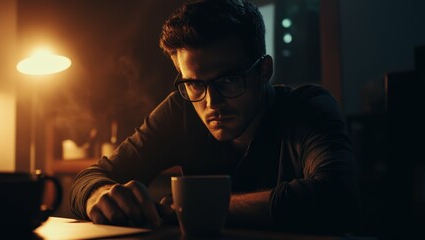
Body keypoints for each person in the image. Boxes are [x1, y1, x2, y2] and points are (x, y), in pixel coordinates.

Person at [70, 0, 360, 235]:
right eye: (195, 83)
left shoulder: (308, 108)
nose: (212, 102)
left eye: (229, 80)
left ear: (264, 71)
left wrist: (192, 207)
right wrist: (99, 193)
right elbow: (90, 178)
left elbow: (337, 196)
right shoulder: (182, 109)